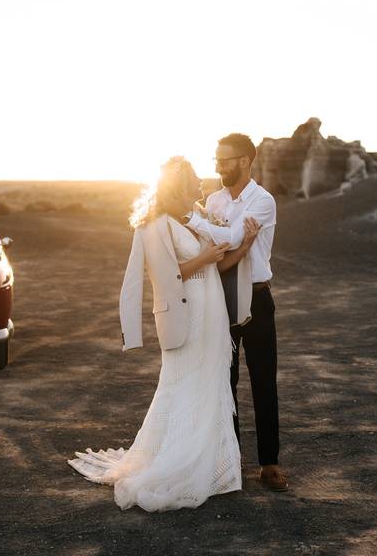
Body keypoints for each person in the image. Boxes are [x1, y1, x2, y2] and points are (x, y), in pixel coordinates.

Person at [68, 156, 259, 512]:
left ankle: (217, 467)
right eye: (193, 181)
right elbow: (166, 275)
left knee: (211, 384)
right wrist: (204, 258)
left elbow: (220, 262)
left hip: (213, 311)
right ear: (177, 186)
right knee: (183, 386)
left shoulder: (196, 219)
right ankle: (180, 463)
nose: (201, 186)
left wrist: (244, 245)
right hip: (188, 316)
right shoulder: (157, 224)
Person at [184, 133, 289, 492]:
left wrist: (195, 221)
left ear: (245, 161)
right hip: (219, 294)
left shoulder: (263, 201)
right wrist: (209, 228)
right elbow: (217, 242)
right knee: (223, 380)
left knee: (263, 381)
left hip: (257, 298)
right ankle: (229, 460)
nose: (218, 165)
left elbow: (228, 236)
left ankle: (270, 464)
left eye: (224, 159)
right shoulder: (212, 199)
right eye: (216, 159)